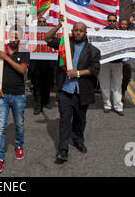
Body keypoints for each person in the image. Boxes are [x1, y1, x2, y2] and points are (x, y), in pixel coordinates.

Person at [44, 20, 101, 165]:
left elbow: (94, 70)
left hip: (82, 92)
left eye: (81, 31)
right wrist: (58, 25)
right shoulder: (65, 44)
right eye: (75, 30)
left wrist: (77, 73)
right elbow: (47, 38)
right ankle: (63, 149)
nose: (77, 33)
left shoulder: (93, 51)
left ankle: (78, 140)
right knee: (64, 120)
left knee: (80, 120)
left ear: (85, 33)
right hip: (65, 91)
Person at [0, 25, 30, 174]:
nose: (14, 39)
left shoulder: (24, 52)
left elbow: (22, 70)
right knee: (0, 127)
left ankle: (19, 145)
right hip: (2, 95)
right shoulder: (0, 49)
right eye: (12, 36)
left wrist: (6, 58)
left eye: (17, 37)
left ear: (20, 38)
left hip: (18, 94)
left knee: (19, 124)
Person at [97, 14, 125, 115]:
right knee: (105, 84)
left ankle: (118, 106)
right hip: (104, 62)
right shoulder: (101, 32)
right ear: (107, 21)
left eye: (113, 21)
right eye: (110, 21)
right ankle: (107, 105)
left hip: (117, 62)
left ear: (116, 22)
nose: (111, 23)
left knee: (117, 85)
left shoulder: (121, 33)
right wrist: (95, 31)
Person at [29, 16, 55, 114]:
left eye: (44, 22)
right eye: (39, 22)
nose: (42, 23)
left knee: (47, 84)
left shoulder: (51, 34)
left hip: (49, 63)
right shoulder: (32, 34)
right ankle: (37, 105)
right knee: (36, 86)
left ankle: (46, 101)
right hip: (36, 64)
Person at [119, 19, 132, 103]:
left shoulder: (130, 34)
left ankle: (123, 90)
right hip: (116, 59)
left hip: (125, 59)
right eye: (122, 24)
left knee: (127, 76)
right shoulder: (114, 32)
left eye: (125, 24)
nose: (123, 26)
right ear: (119, 25)